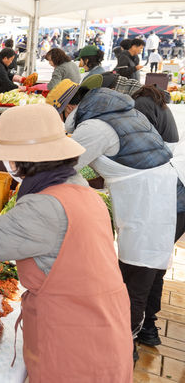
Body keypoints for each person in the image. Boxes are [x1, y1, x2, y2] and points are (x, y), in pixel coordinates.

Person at [0, 104, 133, 381]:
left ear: (23, 160)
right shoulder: (82, 190)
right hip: (105, 323)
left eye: (11, 158)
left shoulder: (43, 206)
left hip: (72, 340)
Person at [66, 87, 185, 362]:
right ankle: (148, 331)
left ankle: (122, 345)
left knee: (134, 275)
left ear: (72, 109)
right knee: (153, 269)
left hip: (153, 201)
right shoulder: (125, 112)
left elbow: (66, 165)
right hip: (173, 192)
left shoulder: (94, 127)